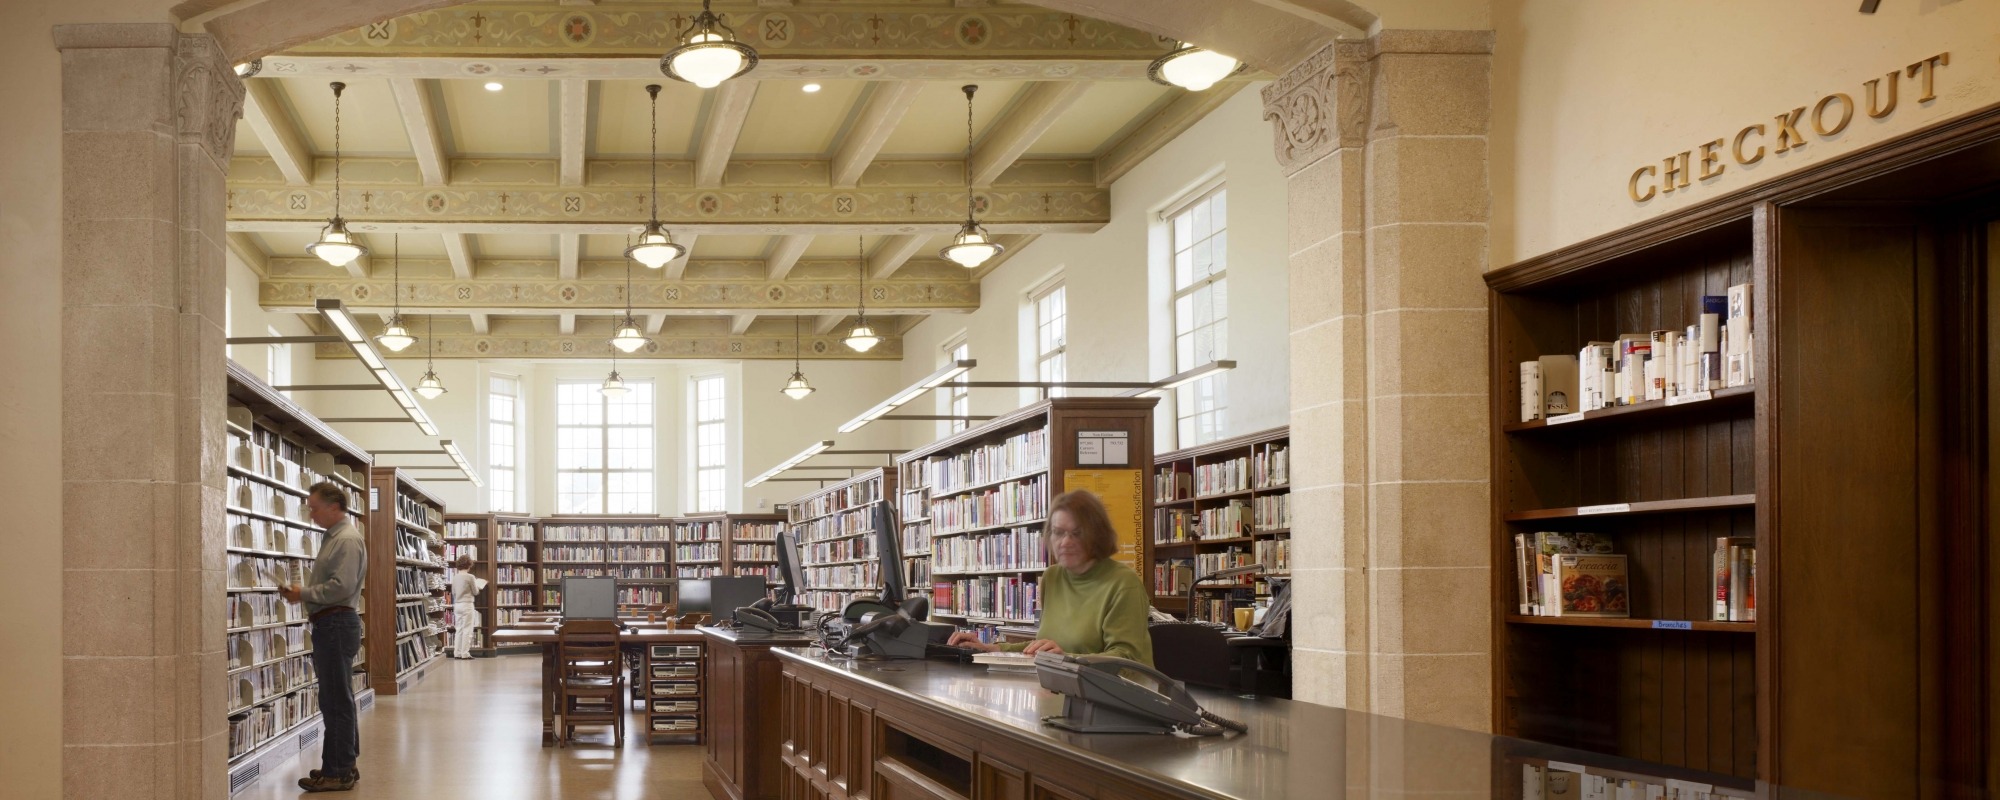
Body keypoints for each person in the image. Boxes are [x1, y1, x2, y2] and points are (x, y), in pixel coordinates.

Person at [946, 490, 1153, 666]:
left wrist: (1067, 660)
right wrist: (990, 648)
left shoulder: (1124, 584)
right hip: (1067, 690)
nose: (1065, 542)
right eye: (1058, 532)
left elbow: (1127, 659)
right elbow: (1044, 645)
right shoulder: (1052, 577)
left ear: (1097, 535)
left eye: (1077, 533)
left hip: (1123, 699)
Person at [279, 483, 366, 792]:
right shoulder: (336, 538)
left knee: (335, 699)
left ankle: (340, 770)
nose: (311, 514)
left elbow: (340, 587)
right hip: (332, 624)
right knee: (335, 698)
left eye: (314, 508)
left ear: (334, 507)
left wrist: (304, 593)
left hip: (336, 624)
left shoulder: (345, 540)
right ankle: (340, 764)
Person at [449, 554, 482, 659]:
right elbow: (475, 592)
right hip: (467, 604)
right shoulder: (470, 577)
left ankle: (457, 653)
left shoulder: (455, 577)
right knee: (467, 629)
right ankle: (465, 653)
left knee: (459, 629)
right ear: (469, 565)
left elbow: (453, 592)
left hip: (457, 605)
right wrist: (479, 585)